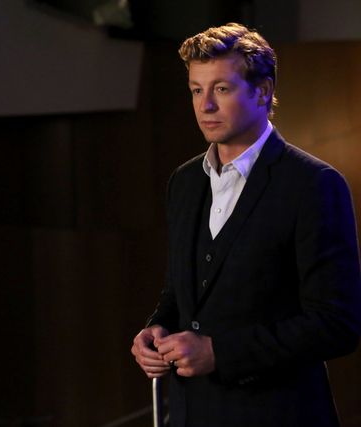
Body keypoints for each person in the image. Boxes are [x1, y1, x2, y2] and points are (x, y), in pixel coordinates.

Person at [131, 23, 361, 427]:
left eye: (221, 89)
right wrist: (156, 329)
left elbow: (337, 325)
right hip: (190, 414)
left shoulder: (314, 184)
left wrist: (219, 352)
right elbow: (181, 292)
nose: (205, 106)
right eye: (196, 90)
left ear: (263, 91)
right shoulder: (185, 181)